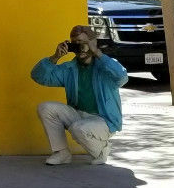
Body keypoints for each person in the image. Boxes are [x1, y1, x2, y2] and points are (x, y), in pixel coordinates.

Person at [30, 26, 128, 165]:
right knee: (45, 108)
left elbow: (122, 77)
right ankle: (61, 152)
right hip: (78, 115)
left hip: (103, 120)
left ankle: (102, 150)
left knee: (78, 128)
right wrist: (55, 57)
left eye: (83, 43)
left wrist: (97, 52)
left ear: (93, 42)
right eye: (75, 43)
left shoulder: (105, 66)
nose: (79, 47)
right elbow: (38, 77)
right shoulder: (69, 69)